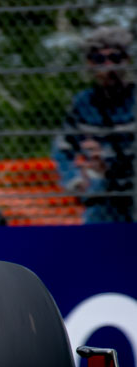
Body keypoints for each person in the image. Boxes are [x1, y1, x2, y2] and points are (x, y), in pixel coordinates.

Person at [54, 26, 134, 224]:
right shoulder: (83, 103)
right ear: (90, 64)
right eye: (99, 59)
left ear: (127, 60)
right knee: (95, 232)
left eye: (115, 58)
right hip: (103, 187)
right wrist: (75, 180)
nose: (108, 66)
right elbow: (63, 147)